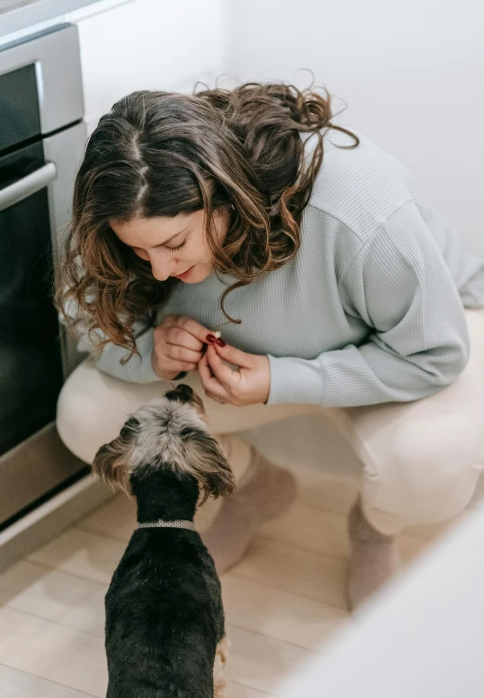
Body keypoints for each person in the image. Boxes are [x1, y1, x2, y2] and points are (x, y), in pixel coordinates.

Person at [55, 82, 484, 611]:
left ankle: (375, 528)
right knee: (85, 415)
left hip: (407, 344)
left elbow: (435, 354)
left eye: (173, 245)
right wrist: (149, 352)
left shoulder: (362, 210)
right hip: (244, 362)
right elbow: (84, 310)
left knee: (431, 462)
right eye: (139, 252)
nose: (162, 270)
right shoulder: (129, 194)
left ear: (225, 195)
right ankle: (256, 486)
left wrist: (283, 380)